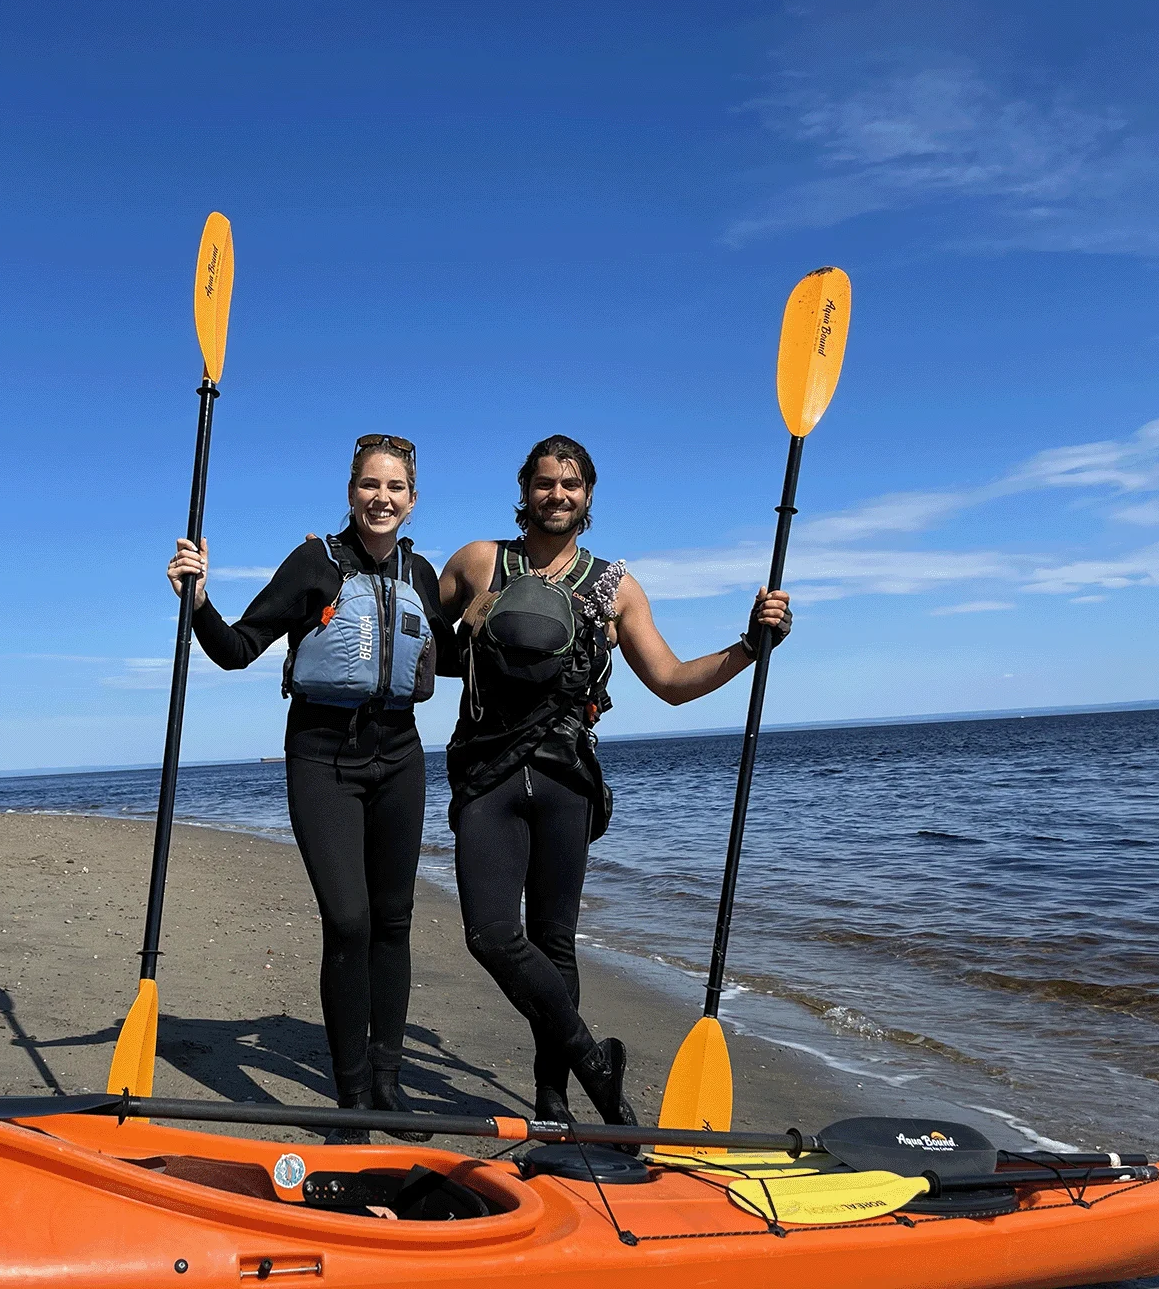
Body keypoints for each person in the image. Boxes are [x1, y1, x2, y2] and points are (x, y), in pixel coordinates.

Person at [439, 434, 791, 1132]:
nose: (557, 495)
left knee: (555, 943)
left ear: (589, 495)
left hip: (568, 778)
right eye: (545, 483)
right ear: (525, 489)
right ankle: (593, 1061)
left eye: (571, 485)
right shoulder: (480, 562)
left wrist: (751, 645)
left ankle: (553, 1099)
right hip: (486, 773)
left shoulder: (614, 588)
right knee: (489, 934)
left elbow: (670, 682)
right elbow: (424, 646)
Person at [167, 435, 454, 1143]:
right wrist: (199, 601)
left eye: (395, 487)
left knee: (393, 921)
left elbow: (456, 659)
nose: (381, 498)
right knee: (349, 922)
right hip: (323, 756)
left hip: (401, 756)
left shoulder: (420, 573)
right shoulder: (311, 565)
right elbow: (236, 651)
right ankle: (352, 1097)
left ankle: (387, 1087)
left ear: (412, 499)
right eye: (369, 485)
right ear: (350, 492)